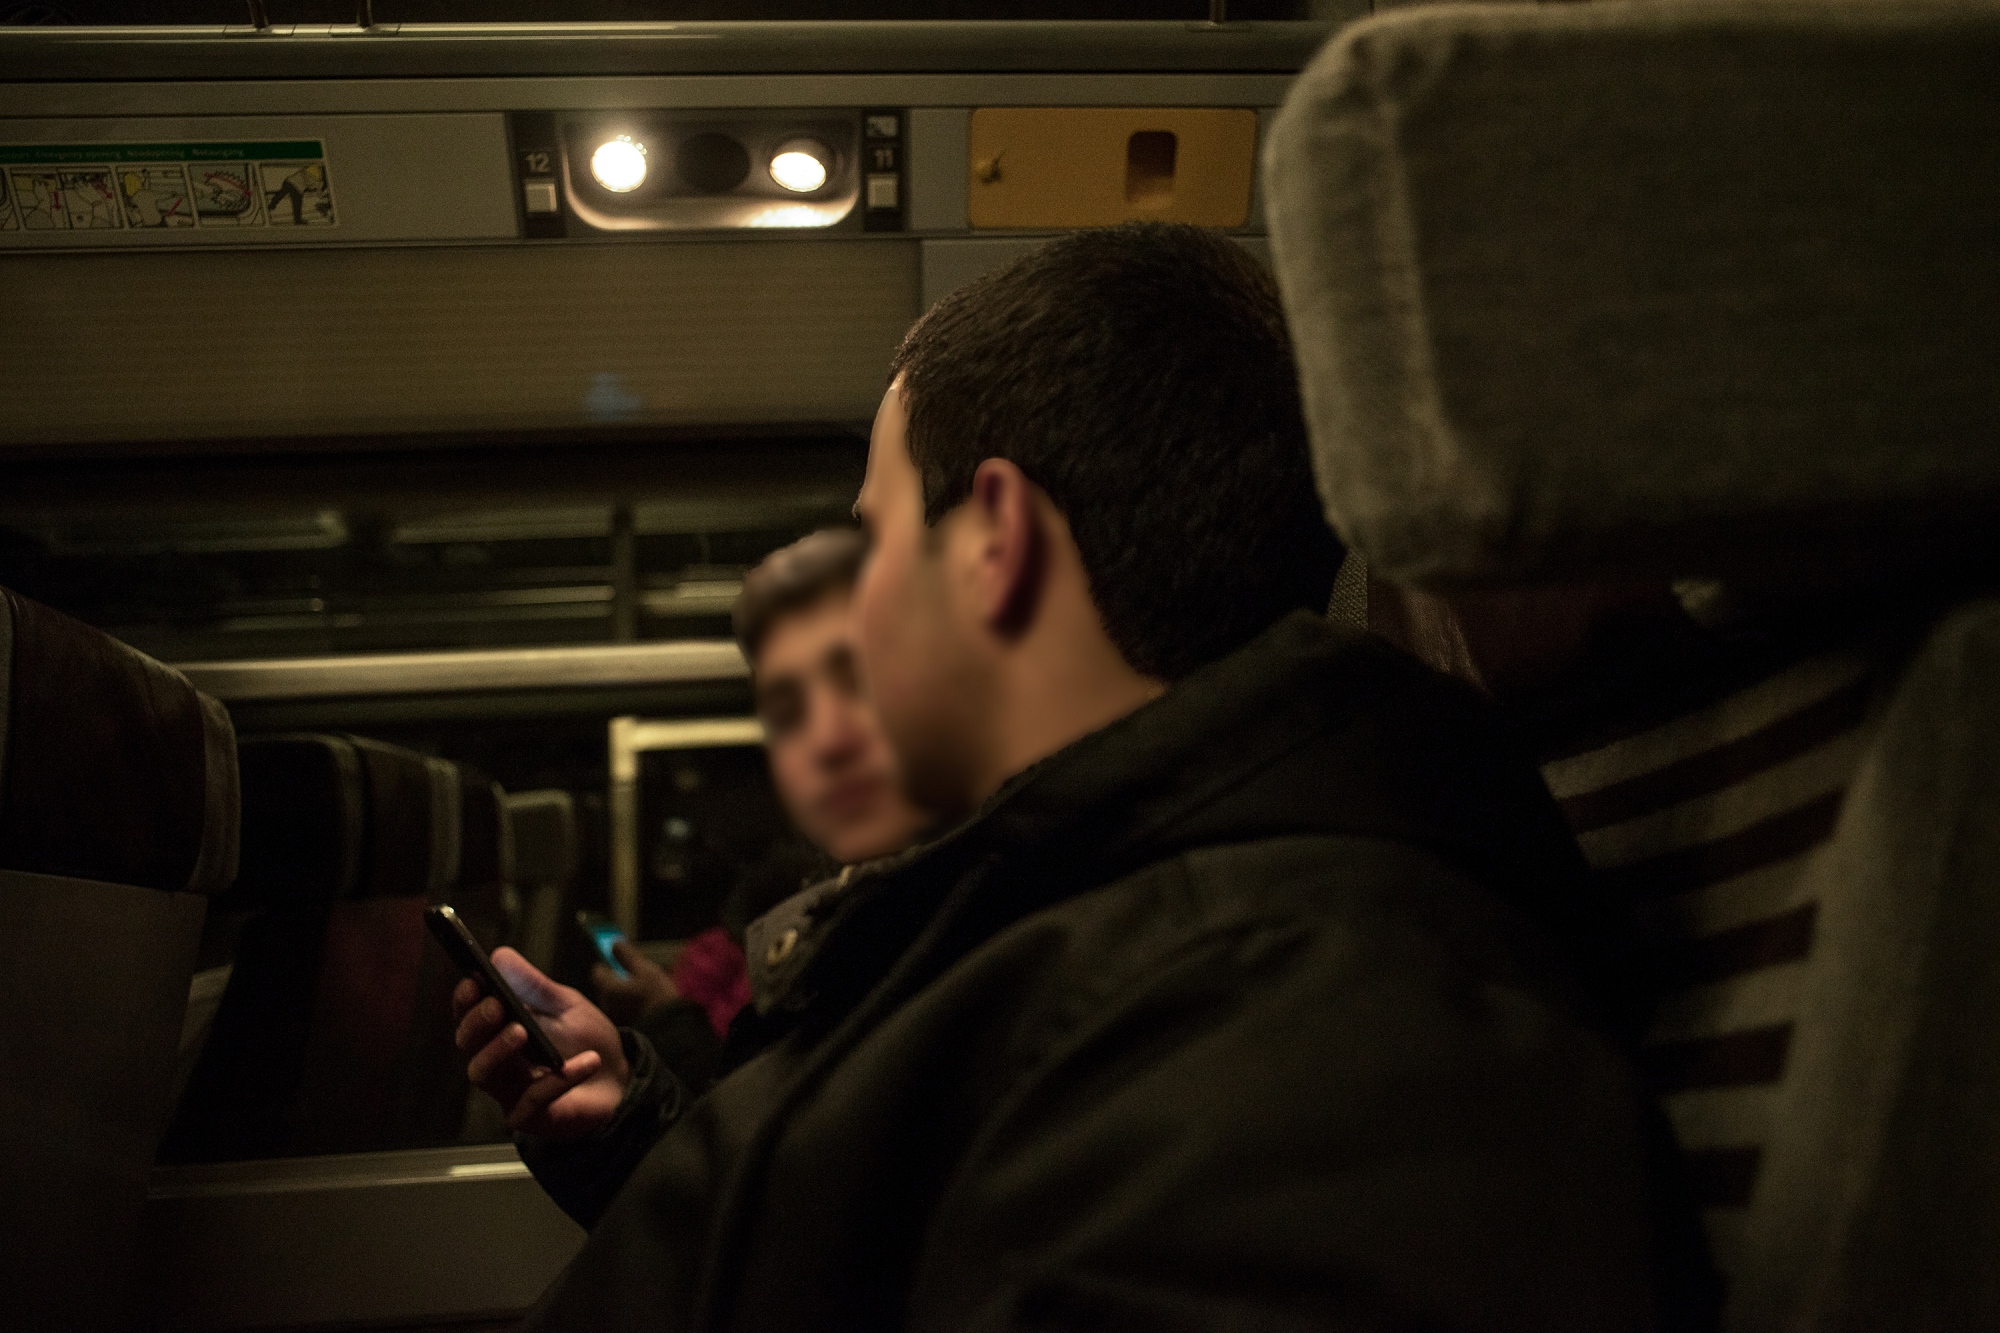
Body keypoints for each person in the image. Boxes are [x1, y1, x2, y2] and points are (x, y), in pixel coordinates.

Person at [462, 223, 1714, 1331]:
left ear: (994, 546)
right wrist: (634, 1135)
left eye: (872, 538)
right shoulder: (1082, 926)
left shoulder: (1311, 1044)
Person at [587, 529, 930, 1083]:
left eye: (855, 688)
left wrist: (668, 1024)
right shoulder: (825, 918)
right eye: (787, 714)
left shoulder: (978, 927)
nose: (823, 742)